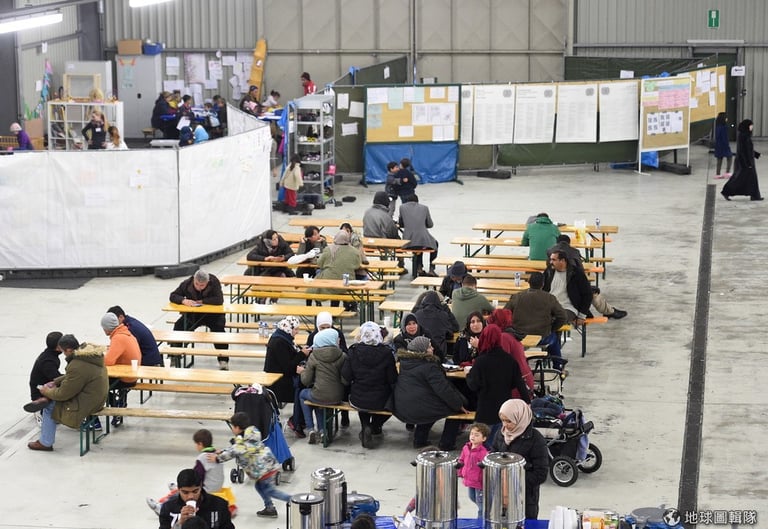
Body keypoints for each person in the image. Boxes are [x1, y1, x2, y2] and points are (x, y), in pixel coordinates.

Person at [24, 334, 109, 451]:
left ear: (68, 350)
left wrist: (47, 391)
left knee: (50, 407)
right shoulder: (90, 356)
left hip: (89, 403)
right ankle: (48, 407)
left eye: (63, 351)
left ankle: (45, 442)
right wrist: (56, 381)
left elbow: (63, 394)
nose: (63, 354)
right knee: (53, 399)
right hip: (98, 397)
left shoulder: (77, 365)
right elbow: (75, 377)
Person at [392, 336, 468, 450]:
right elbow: (443, 389)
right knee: (452, 409)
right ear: (422, 350)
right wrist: (459, 404)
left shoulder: (405, 362)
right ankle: (446, 443)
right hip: (417, 407)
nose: (432, 348)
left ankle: (420, 439)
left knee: (428, 404)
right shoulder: (429, 366)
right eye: (429, 347)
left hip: (401, 405)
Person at [215, 412, 292, 518]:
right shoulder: (251, 434)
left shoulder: (242, 444)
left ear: (237, 427)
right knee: (259, 486)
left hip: (263, 470)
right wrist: (223, 450)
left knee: (271, 491)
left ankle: (293, 500)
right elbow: (235, 448)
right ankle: (269, 508)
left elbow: (232, 452)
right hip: (268, 465)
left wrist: (217, 458)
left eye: (232, 426)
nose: (232, 429)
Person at [147, 429, 236, 517]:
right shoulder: (218, 455)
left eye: (196, 444)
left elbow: (196, 477)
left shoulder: (202, 458)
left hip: (208, 489)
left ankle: (161, 507)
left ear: (200, 444)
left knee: (181, 495)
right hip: (217, 487)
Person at [466, 325, 531, 445]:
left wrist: (468, 375)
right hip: (504, 410)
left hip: (485, 410)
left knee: (482, 446)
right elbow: (518, 383)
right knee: (500, 444)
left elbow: (473, 385)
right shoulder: (510, 360)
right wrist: (527, 402)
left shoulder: (480, 362)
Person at [342, 321, 398, 448]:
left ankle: (366, 426)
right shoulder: (386, 353)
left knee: (363, 402)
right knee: (392, 402)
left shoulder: (353, 351)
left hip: (358, 398)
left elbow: (346, 376)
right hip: (381, 399)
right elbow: (392, 378)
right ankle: (374, 426)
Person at [491, 399, 548, 520]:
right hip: (501, 495)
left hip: (525, 498)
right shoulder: (500, 434)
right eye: (502, 420)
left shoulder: (536, 439)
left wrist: (514, 480)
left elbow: (541, 474)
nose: (505, 425)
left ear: (520, 418)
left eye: (509, 421)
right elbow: (493, 455)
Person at [169, 269, 230, 370]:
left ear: (207, 282)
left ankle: (223, 360)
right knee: (179, 326)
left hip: (213, 315)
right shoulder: (187, 283)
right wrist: (183, 300)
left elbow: (219, 300)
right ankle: (175, 355)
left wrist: (201, 301)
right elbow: (173, 295)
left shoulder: (214, 282)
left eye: (202, 285)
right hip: (194, 314)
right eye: (197, 284)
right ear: (194, 280)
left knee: (219, 331)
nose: (199, 287)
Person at [505, 272, 568, 367]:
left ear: (529, 282)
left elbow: (504, 314)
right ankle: (557, 366)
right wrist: (552, 328)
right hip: (542, 336)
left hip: (519, 336)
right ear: (543, 284)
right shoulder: (549, 298)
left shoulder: (517, 297)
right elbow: (562, 316)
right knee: (554, 339)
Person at [544, 250, 627, 321]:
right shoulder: (549, 271)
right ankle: (610, 312)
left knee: (590, 294)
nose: (550, 262)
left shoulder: (576, 273)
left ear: (562, 260)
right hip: (551, 306)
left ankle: (609, 311)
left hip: (568, 307)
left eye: (553, 260)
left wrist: (582, 315)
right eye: (550, 259)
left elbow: (586, 294)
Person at [298, 328, 347, 444]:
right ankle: (322, 431)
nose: (339, 340)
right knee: (320, 400)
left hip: (319, 395)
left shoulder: (314, 356)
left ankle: (310, 428)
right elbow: (345, 380)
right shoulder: (343, 356)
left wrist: (302, 372)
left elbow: (306, 380)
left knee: (303, 394)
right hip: (337, 396)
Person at [265, 316, 308, 437]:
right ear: (289, 328)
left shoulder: (283, 338)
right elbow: (287, 367)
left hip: (282, 376)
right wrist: (302, 354)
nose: (297, 332)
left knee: (304, 384)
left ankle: (298, 420)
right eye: (296, 329)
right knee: (302, 389)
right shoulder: (279, 342)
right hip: (278, 382)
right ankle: (297, 421)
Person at [158, 468, 234, 529]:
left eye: (195, 491)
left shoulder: (219, 505)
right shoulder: (168, 507)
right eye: (185, 492)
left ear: (201, 487)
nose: (191, 496)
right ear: (178, 489)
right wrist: (180, 522)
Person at [101, 312, 141, 424]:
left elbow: (108, 361)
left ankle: (115, 407)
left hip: (125, 378)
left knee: (94, 384)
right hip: (131, 374)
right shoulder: (127, 334)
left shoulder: (118, 338)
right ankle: (118, 404)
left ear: (106, 328)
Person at [313, 231, 362, 308]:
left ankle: (330, 306)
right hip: (347, 281)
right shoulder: (354, 251)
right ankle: (349, 305)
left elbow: (320, 264)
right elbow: (357, 265)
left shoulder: (328, 249)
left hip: (329, 282)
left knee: (319, 278)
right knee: (341, 287)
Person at [722, 118, 763, 201]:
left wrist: (756, 154)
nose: (752, 127)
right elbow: (743, 151)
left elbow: (748, 149)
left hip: (747, 161)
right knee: (739, 179)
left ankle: (755, 196)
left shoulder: (745, 135)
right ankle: (726, 191)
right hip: (744, 162)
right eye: (751, 125)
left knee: (751, 179)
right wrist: (747, 163)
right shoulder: (743, 136)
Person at [413, 290, 459, 363]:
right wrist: (445, 307)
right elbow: (454, 329)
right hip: (438, 354)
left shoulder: (417, 314)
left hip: (419, 353)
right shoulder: (442, 315)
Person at [399, 194, 439, 277]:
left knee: (417, 245)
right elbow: (430, 224)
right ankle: (431, 269)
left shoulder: (402, 208)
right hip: (423, 241)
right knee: (433, 244)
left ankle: (419, 267)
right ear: (417, 201)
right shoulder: (424, 208)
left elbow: (401, 223)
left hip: (407, 242)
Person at [457, 422, 490, 517]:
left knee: (481, 505)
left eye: (476, 435)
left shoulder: (483, 452)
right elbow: (461, 460)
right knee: (472, 497)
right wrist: (460, 472)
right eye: (471, 434)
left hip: (479, 483)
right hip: (469, 480)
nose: (473, 436)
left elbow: (486, 467)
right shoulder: (466, 448)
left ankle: (481, 520)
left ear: (484, 438)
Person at [27, 332, 63, 406]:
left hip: (44, 384)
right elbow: (56, 378)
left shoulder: (49, 355)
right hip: (39, 390)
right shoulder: (48, 361)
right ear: (58, 346)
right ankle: (41, 399)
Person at [713, 112, 733, 179]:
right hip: (724, 145)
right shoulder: (724, 127)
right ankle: (727, 172)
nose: (727, 119)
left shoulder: (717, 127)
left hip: (718, 145)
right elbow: (725, 138)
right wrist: (727, 145)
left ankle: (718, 174)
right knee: (729, 157)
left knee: (719, 159)